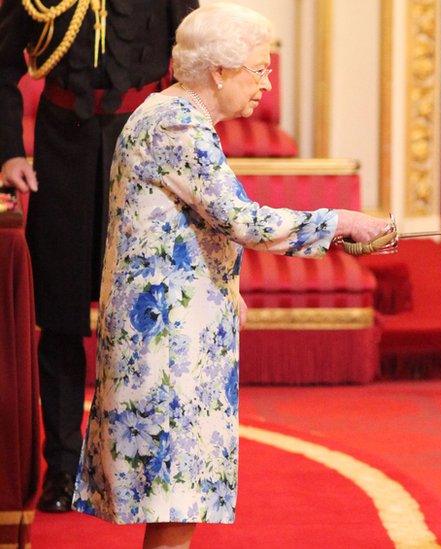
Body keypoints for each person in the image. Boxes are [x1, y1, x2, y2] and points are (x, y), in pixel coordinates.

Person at [68, 3, 390, 548]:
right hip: (164, 341)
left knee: (179, 496)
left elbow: (196, 221)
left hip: (177, 329)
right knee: (175, 492)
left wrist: (227, 283)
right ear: (219, 71)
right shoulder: (176, 124)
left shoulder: (178, 114)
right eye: (258, 70)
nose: (266, 84)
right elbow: (245, 220)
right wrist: (341, 221)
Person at [0, 0, 198, 513]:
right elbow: (2, 62)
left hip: (142, 145)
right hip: (61, 147)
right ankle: (63, 467)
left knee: (142, 315)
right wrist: (8, 152)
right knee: (61, 315)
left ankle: (139, 464)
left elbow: (195, 65)